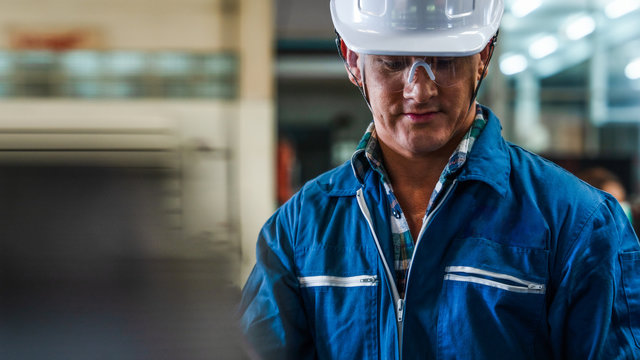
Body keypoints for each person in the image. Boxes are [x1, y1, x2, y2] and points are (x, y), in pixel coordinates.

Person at [239, 0, 640, 358]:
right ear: (351, 60)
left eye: (445, 60)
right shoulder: (297, 231)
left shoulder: (579, 224)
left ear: (483, 55)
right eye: (393, 63)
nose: (420, 89)